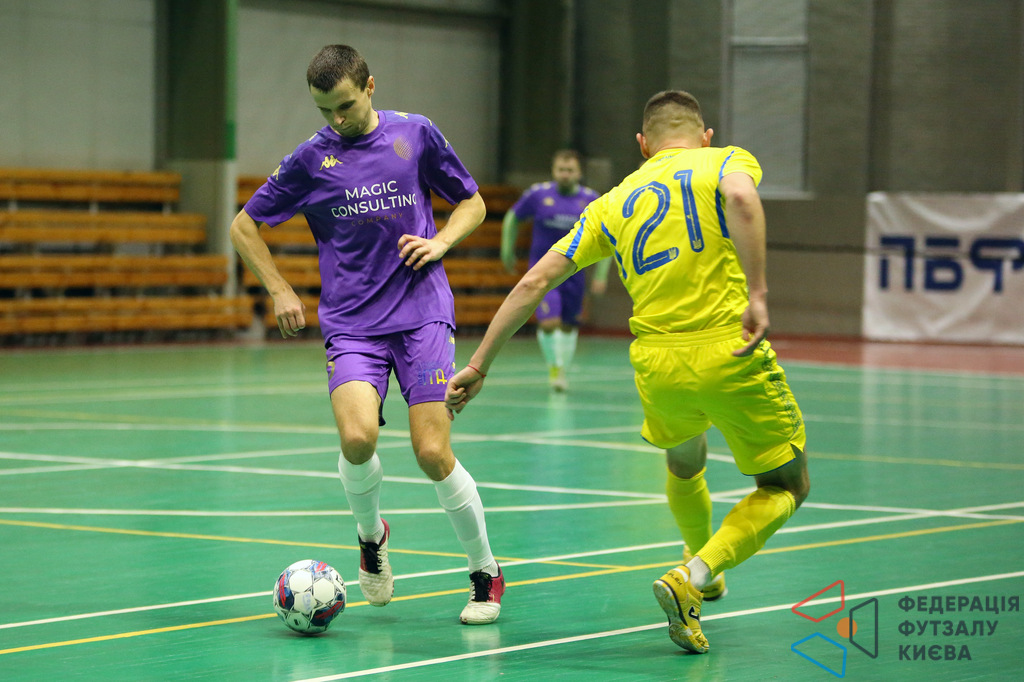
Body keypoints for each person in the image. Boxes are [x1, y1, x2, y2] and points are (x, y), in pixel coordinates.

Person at [445, 90, 809, 651]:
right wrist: (757, 293)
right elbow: (741, 195)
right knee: (787, 484)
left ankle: (698, 556)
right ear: (705, 136)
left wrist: (478, 364)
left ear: (642, 145)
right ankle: (696, 574)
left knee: (685, 461)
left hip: (657, 364)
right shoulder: (724, 160)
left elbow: (535, 281)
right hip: (727, 348)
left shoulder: (611, 202)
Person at [230, 44, 504, 625]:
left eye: (345, 106)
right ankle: (371, 536)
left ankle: (485, 571)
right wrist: (279, 288)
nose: (336, 119)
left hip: (422, 312)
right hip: (352, 323)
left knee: (432, 452)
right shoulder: (310, 159)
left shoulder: (415, 134)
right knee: (357, 440)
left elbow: (472, 202)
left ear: (370, 87)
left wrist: (442, 242)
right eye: (324, 109)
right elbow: (244, 225)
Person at [500, 150, 609, 391]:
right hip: (542, 272)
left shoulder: (591, 199)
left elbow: (606, 236)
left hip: (574, 273)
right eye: (561, 169)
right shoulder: (538, 194)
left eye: (570, 170)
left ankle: (562, 369)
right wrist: (507, 250)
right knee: (549, 323)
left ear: (579, 173)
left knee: (569, 325)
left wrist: (600, 275)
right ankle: (555, 369)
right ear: (553, 171)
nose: (565, 174)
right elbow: (512, 217)